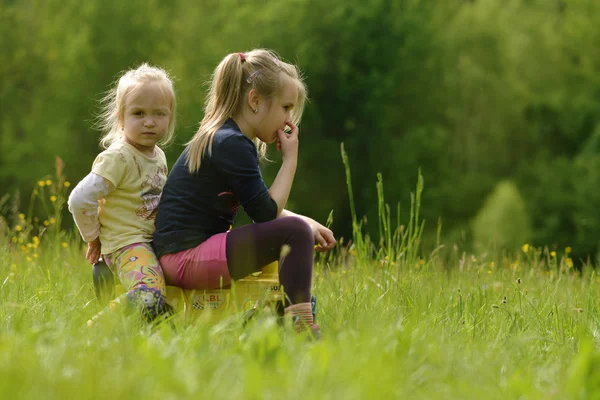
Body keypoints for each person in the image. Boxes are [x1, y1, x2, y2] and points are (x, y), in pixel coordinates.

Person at [153, 49, 336, 335]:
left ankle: (275, 316)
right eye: (286, 108)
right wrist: (291, 160)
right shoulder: (233, 144)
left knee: (296, 229)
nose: (289, 120)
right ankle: (298, 325)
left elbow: (259, 204)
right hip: (187, 258)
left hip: (182, 255)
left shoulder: (224, 138)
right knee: (294, 233)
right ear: (255, 101)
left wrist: (304, 221)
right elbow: (265, 215)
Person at [68, 63, 176, 324]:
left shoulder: (157, 154)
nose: (149, 122)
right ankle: (94, 330)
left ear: (170, 117)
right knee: (149, 293)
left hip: (150, 241)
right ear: (121, 117)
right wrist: (94, 238)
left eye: (159, 114)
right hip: (126, 244)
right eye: (138, 113)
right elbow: (80, 199)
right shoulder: (119, 157)